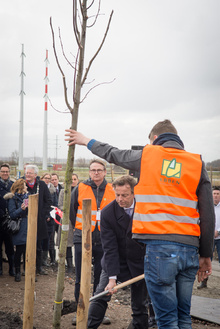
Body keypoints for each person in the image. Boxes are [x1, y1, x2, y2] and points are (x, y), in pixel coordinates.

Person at [65, 119, 215, 329]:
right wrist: (206, 254)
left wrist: (86, 141)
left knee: (167, 320)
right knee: (183, 317)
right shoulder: (197, 162)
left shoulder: (148, 155)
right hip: (189, 249)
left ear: (154, 139)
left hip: (160, 248)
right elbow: (208, 213)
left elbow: (114, 153)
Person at [87, 175, 148, 329]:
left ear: (134, 193)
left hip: (140, 262)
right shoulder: (108, 213)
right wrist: (112, 278)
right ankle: (89, 325)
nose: (120, 199)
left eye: (125, 195)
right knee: (101, 294)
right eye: (117, 195)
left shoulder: (146, 209)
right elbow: (109, 247)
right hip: (116, 261)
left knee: (140, 304)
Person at [70, 160, 115, 326]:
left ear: (104, 172)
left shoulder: (112, 189)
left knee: (101, 279)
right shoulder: (80, 188)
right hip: (82, 238)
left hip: (105, 240)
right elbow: (73, 211)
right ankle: (80, 311)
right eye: (93, 170)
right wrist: (81, 231)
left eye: (99, 170)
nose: (96, 173)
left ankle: (98, 313)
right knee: (81, 278)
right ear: (89, 172)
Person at [25, 165, 52, 275]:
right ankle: (26, 267)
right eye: (27, 173)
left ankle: (38, 267)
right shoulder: (22, 184)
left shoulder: (41, 185)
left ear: (35, 175)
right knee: (24, 244)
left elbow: (48, 200)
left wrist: (43, 214)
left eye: (30, 173)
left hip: (39, 220)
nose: (28, 175)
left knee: (38, 245)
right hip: (25, 219)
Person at [4, 179, 28, 282]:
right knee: (19, 251)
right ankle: (17, 272)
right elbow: (12, 214)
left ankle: (27, 272)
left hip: (29, 227)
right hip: (19, 228)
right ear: (20, 188)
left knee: (28, 251)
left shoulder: (28, 196)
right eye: (25, 186)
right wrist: (21, 209)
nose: (26, 187)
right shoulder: (12, 199)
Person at [198, 186, 220, 289]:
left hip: (219, 238)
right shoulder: (207, 207)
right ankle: (204, 282)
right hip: (209, 238)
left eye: (217, 194)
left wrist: (218, 231)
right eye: (214, 194)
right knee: (207, 259)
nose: (215, 196)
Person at [56, 173, 79, 274]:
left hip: (79, 219)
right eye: (71, 179)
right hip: (67, 220)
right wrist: (69, 210)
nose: (73, 181)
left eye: (75, 179)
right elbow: (60, 205)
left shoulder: (80, 191)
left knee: (79, 243)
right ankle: (69, 265)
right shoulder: (63, 191)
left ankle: (79, 265)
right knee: (67, 243)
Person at [0, 163, 15, 276]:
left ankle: (12, 269)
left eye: (7, 171)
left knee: (10, 247)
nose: (5, 173)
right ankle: (0, 269)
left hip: (9, 221)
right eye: (3, 171)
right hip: (0, 220)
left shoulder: (13, 185)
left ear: (9, 172)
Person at [40, 173, 58, 267]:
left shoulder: (53, 190)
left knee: (47, 240)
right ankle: (38, 259)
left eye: (49, 178)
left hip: (49, 219)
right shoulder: (40, 189)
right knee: (40, 239)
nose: (47, 180)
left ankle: (44, 260)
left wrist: (49, 216)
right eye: (45, 178)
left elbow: (54, 205)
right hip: (40, 218)